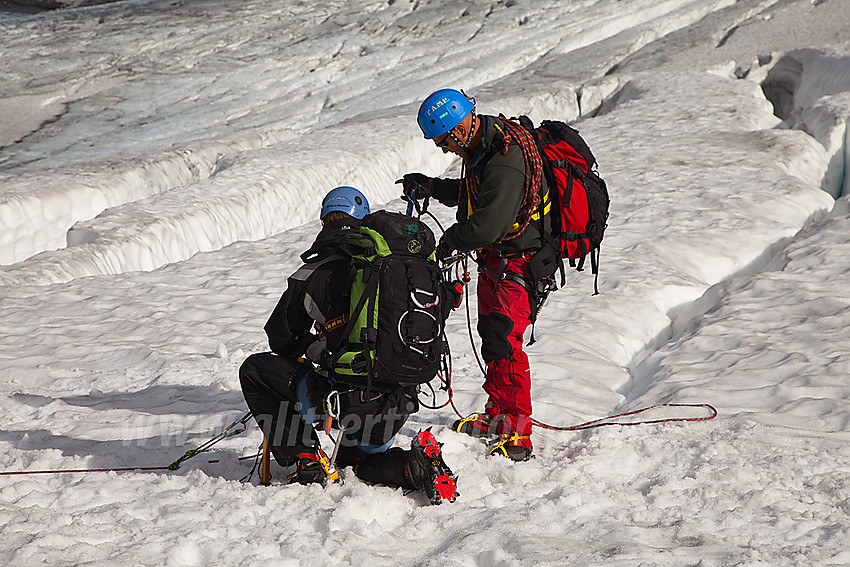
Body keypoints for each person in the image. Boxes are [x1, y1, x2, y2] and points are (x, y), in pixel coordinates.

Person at [239, 186, 457, 505]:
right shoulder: (399, 269)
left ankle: (306, 458)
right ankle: (412, 468)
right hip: (402, 399)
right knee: (355, 464)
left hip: (345, 401)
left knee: (255, 371)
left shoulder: (314, 271)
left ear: (325, 221)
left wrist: (318, 346)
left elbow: (281, 339)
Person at [400, 88, 552, 462]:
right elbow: (475, 195)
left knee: (504, 340)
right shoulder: (485, 148)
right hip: (500, 262)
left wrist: (449, 241)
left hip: (517, 262)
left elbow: (487, 224)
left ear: (459, 126)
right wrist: (433, 187)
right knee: (495, 340)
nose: (443, 148)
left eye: (444, 140)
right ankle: (498, 417)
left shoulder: (503, 157)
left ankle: (517, 434)